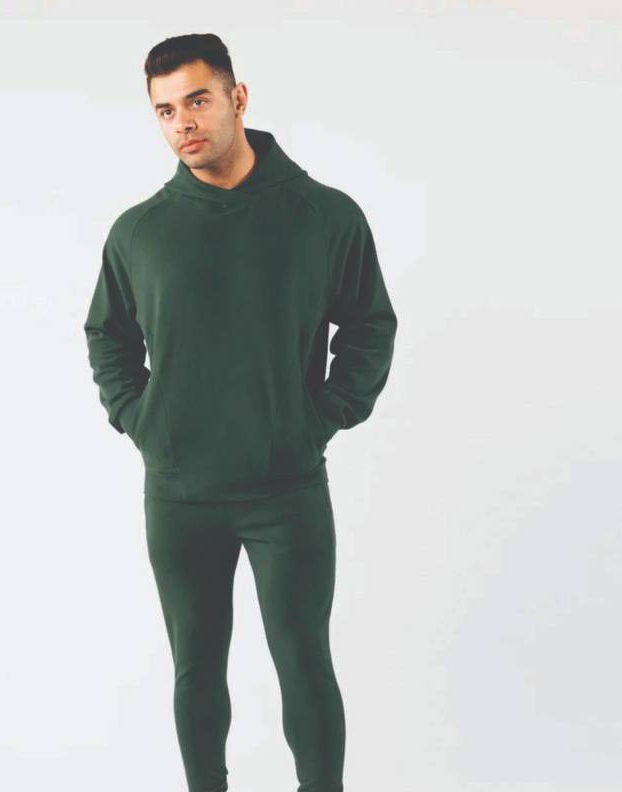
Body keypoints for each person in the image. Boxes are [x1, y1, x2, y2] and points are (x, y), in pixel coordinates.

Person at [84, 32, 398, 792]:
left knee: (304, 662)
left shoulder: (324, 215)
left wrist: (324, 414)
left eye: (197, 100)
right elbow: (107, 335)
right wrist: (140, 418)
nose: (183, 122)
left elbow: (370, 324)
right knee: (196, 668)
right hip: (180, 492)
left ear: (238, 98)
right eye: (165, 110)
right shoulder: (140, 231)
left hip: (285, 489)